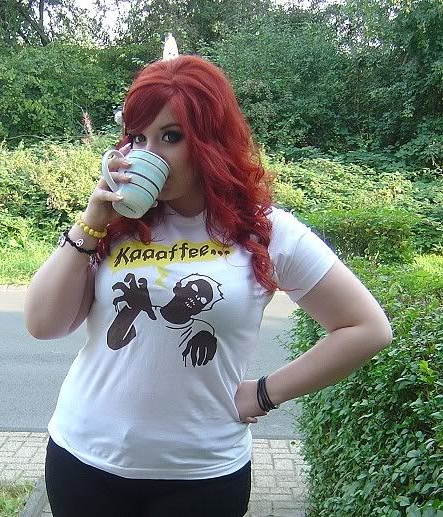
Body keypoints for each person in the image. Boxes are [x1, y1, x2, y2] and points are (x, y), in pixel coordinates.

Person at [24, 54, 393, 517]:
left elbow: (366, 328)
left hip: (202, 476)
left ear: (210, 142)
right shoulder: (114, 226)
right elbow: (43, 324)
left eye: (170, 136)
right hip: (84, 459)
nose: (148, 154)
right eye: (138, 137)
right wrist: (91, 220)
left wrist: (264, 392)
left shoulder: (266, 232)